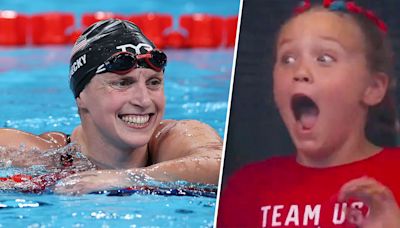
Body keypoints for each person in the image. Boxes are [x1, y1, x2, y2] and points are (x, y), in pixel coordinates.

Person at [217, 0, 400, 227]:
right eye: (288, 59)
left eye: (324, 59)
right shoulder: (247, 187)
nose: (300, 72)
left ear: (373, 87)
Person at [0, 19, 222, 194]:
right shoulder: (46, 156)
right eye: (123, 83)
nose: (144, 101)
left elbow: (221, 164)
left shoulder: (173, 140)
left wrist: (126, 178)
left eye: (153, 83)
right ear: (81, 97)